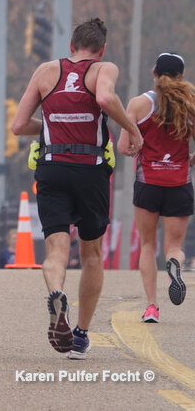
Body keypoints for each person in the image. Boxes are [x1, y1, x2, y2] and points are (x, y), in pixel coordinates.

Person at [11, 18, 143, 360]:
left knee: (56, 249)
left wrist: (54, 123)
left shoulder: (45, 71)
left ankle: (57, 293)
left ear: (71, 45)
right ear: (100, 50)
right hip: (91, 171)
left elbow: (18, 125)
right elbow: (104, 97)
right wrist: (132, 129)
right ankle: (81, 334)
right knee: (91, 254)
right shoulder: (104, 68)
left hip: (52, 169)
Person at [117, 52, 195, 323]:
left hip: (148, 184)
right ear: (181, 76)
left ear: (153, 72)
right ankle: (174, 264)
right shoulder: (191, 104)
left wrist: (139, 150)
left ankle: (151, 306)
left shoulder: (139, 104)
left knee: (148, 245)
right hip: (179, 184)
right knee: (175, 245)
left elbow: (123, 147)